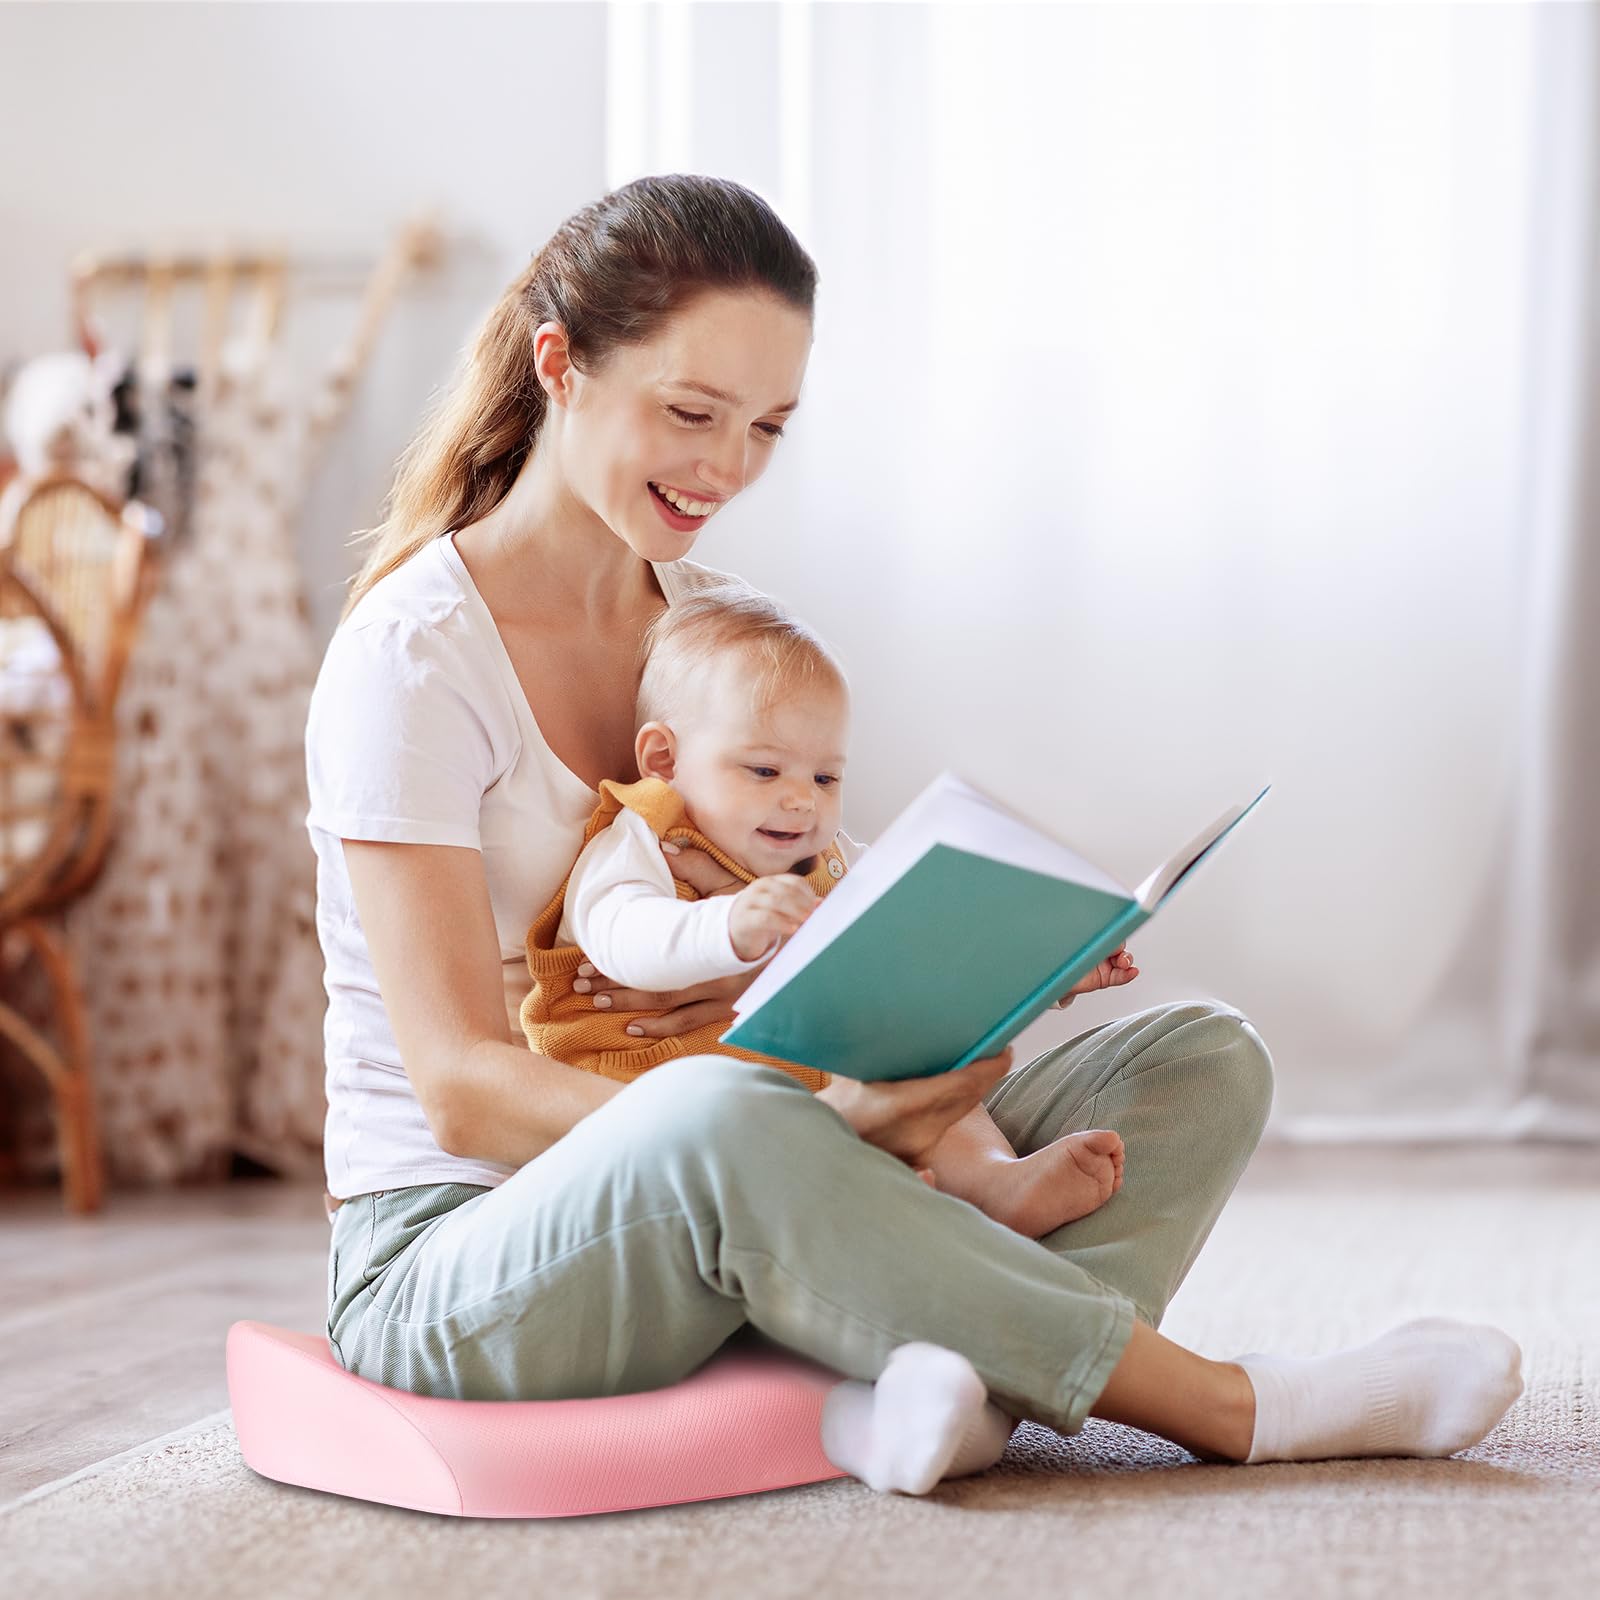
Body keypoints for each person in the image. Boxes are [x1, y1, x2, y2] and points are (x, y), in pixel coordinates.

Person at [309, 174, 1525, 1497]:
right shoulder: (415, 658)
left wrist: (997, 973)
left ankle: (928, 1385)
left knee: (1202, 1060)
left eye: (768, 425)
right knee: (734, 1109)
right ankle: (1236, 1407)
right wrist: (809, 1124)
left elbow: (828, 909)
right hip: (464, 1247)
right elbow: (459, 1088)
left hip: (749, 1166)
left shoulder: (720, 627)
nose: (725, 470)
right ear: (562, 366)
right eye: (691, 412)